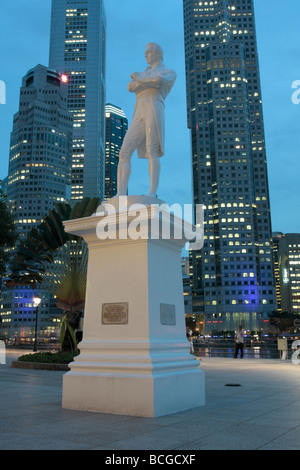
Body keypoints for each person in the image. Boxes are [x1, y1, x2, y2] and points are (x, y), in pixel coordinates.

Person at [115, 42, 176, 198]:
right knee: (124, 152)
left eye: (148, 52)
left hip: (154, 107)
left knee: (152, 149)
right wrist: (143, 79)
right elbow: (130, 87)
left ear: (157, 53)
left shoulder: (168, 71)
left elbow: (158, 82)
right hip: (139, 111)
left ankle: (152, 192)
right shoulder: (145, 73)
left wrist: (138, 77)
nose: (145, 55)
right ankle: (120, 194)